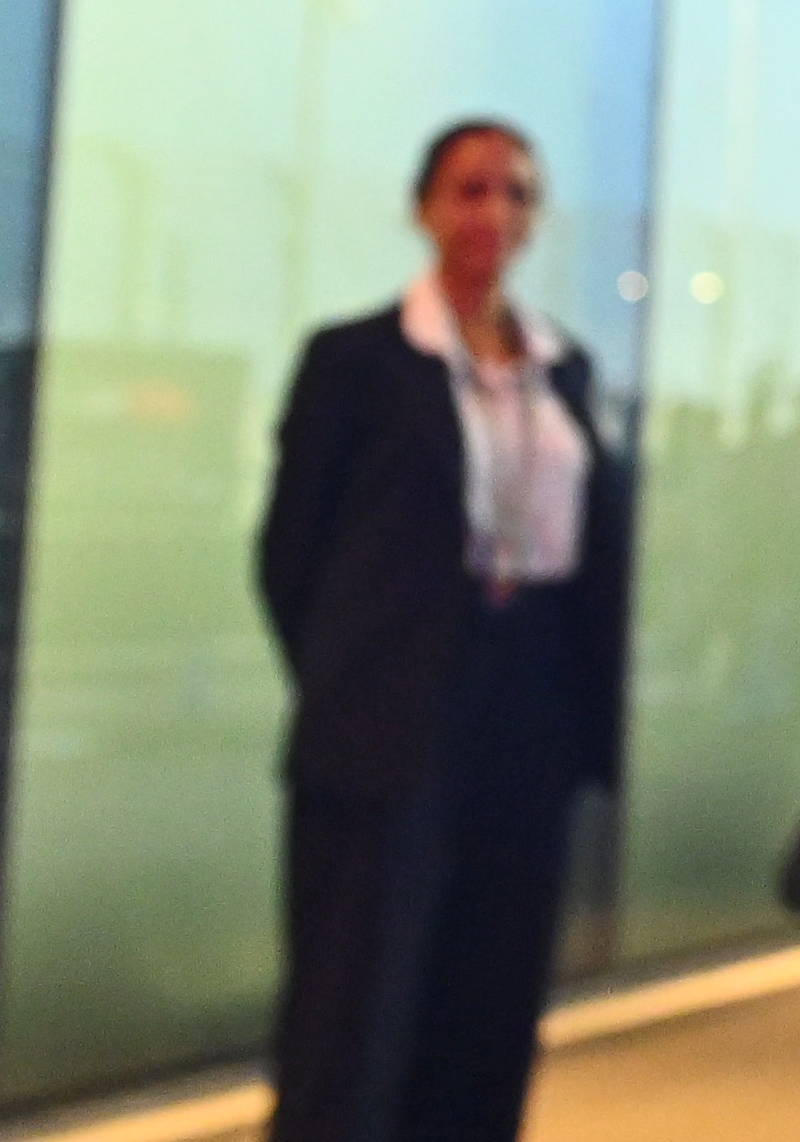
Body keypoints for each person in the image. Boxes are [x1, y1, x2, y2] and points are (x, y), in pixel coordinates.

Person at [256, 121, 629, 1142]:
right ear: (424, 206)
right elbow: (290, 555)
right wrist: (349, 675)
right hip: (389, 709)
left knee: (491, 992)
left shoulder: (565, 368)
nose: (492, 213)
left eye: (514, 192)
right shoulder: (358, 360)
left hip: (532, 696)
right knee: (357, 1000)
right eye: (469, 189)